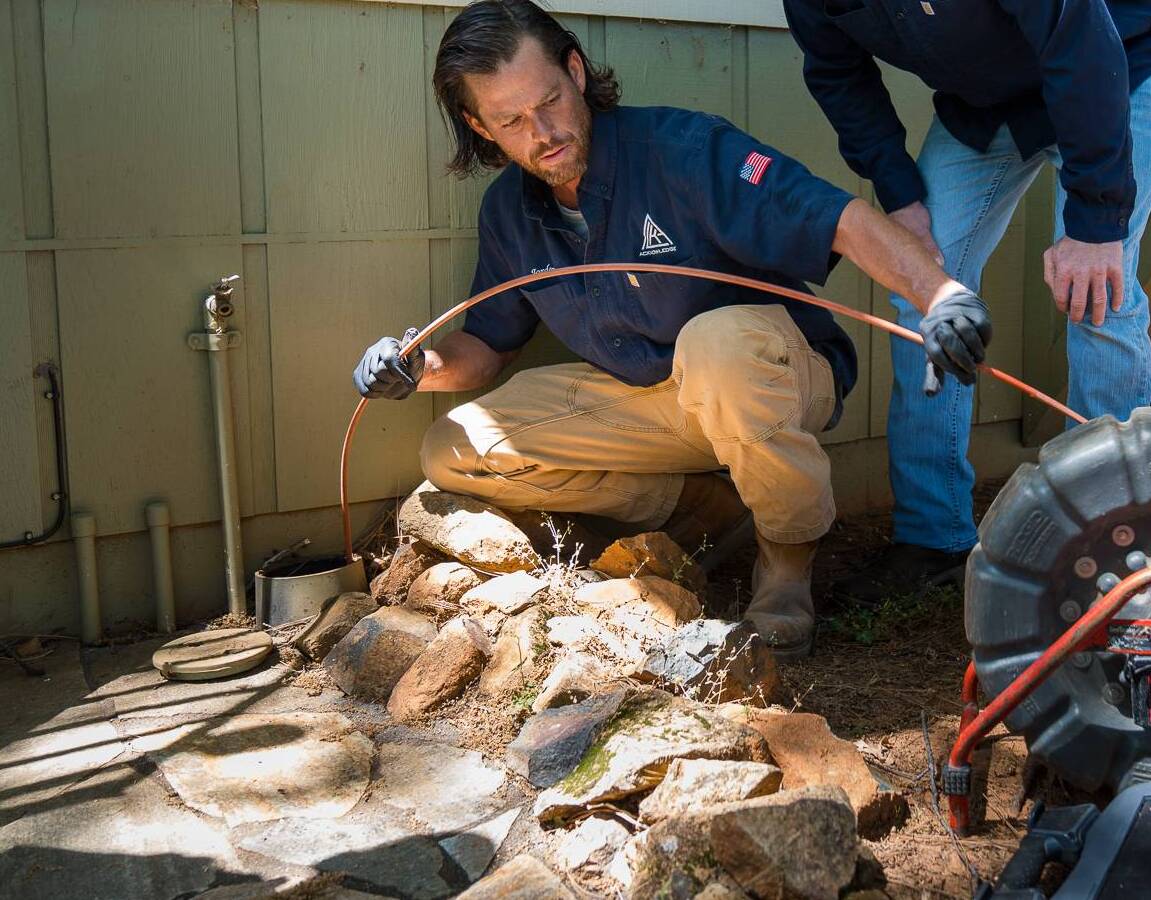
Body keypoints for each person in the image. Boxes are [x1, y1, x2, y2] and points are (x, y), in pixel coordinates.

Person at [352, 0, 993, 658]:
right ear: (478, 125)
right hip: (653, 404)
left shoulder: (683, 151)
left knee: (715, 345)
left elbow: (839, 218)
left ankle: (786, 568)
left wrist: (939, 296)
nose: (541, 132)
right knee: (451, 447)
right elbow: (486, 346)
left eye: (548, 101)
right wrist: (420, 366)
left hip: (770, 376)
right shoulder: (510, 214)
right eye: (511, 121)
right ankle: (697, 507)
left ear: (575, 70)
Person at [784, 0, 1151, 598]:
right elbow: (839, 74)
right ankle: (933, 538)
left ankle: (1116, 540)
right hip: (986, 110)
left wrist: (1097, 221)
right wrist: (899, 192)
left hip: (1107, 63)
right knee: (925, 288)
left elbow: (1079, 41)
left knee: (1099, 296)